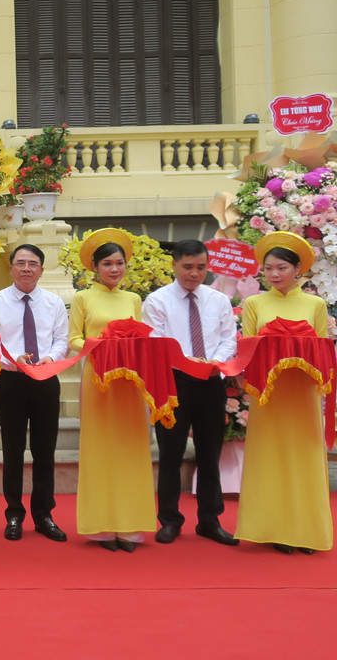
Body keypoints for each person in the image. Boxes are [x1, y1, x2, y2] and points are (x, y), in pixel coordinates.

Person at [235, 231, 333, 554]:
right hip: (268, 396)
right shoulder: (254, 304)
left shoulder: (315, 304)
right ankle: (274, 528)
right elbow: (246, 349)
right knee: (270, 458)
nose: (274, 274)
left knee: (304, 458)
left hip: (303, 394)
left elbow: (323, 350)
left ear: (297, 269)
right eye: (268, 268)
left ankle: (306, 530)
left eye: (282, 268)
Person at [142, 239, 239, 546]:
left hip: (211, 381)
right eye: (187, 267)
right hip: (173, 384)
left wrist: (215, 363)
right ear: (174, 265)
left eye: (201, 267)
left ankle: (210, 521)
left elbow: (228, 339)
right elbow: (156, 342)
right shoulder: (156, 301)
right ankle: (170, 520)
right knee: (170, 455)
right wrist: (186, 362)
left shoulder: (218, 300)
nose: (194, 274)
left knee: (210, 455)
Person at [69, 228, 153, 552]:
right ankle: (103, 527)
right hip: (98, 380)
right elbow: (73, 339)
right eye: (107, 263)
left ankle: (131, 526)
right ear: (94, 267)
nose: (114, 269)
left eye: (119, 263)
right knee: (101, 448)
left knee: (131, 448)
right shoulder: (83, 298)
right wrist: (101, 344)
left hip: (131, 382)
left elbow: (143, 337)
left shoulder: (133, 299)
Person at [0, 244, 70, 543]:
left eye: (32, 264)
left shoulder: (53, 302)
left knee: (45, 450)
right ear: (10, 268)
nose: (26, 269)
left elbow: (62, 339)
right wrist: (12, 361)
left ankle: (44, 514)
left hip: (45, 379)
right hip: (10, 381)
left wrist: (51, 357)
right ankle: (13, 513)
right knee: (12, 449)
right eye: (20, 263)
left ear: (41, 270)